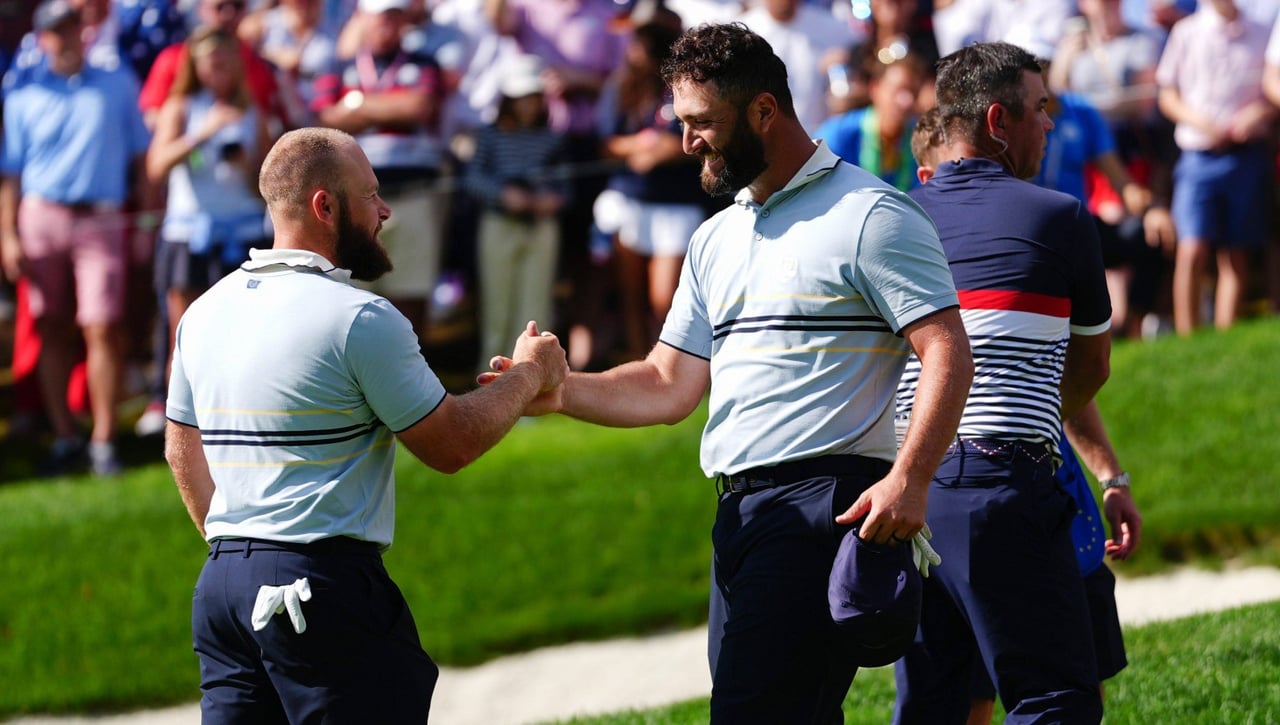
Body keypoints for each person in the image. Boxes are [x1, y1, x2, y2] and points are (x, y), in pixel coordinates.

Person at [482, 22, 974, 722]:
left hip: (822, 505)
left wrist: (911, 478)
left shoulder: (873, 216)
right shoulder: (715, 236)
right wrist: (554, 390)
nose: (687, 142)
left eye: (701, 122)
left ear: (764, 111)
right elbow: (666, 382)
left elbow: (949, 351)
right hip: (740, 512)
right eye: (682, 122)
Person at [164, 126, 568, 722]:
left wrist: (242, 552)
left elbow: (181, 450)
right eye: (371, 195)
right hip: (319, 590)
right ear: (324, 206)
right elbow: (451, 443)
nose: (385, 211)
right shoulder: (361, 318)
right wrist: (530, 374)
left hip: (222, 587)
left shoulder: (204, 311)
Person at [892, 41, 1113, 723]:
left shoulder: (892, 217)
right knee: (1054, 700)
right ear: (997, 120)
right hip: (1003, 489)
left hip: (905, 494)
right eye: (1040, 110)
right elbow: (1091, 366)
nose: (1049, 125)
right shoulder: (1058, 216)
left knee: (937, 705)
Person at [1, 0, 152, 475]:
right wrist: (7, 233)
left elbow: (140, 161)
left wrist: (146, 221)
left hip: (101, 219)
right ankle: (66, 436)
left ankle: (103, 438)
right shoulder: (23, 96)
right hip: (42, 216)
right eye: (55, 32)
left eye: (71, 29)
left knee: (102, 326)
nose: (64, 38)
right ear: (42, 39)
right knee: (50, 326)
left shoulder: (117, 85)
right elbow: (12, 173)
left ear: (83, 34)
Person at [140, 26, 273, 435]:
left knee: (245, 332)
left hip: (243, 232)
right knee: (186, 333)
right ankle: (183, 428)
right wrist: (202, 134)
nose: (217, 70)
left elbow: (266, 188)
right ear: (195, 67)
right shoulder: (181, 107)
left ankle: (241, 421)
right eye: (209, 63)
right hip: (190, 233)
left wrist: (245, 166)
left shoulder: (254, 114)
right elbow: (156, 166)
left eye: (225, 61)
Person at [313, 0, 448, 343]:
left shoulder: (424, 63)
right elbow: (325, 117)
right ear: (362, 19)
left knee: (410, 296)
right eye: (380, 18)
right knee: (352, 298)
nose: (386, 26)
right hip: (354, 201)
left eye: (394, 18)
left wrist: (357, 104)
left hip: (414, 193)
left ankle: (411, 390)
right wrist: (390, 106)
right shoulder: (339, 64)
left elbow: (419, 107)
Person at [1155, 0, 1274, 336]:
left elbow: (1271, 88)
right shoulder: (1186, 32)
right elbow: (1168, 95)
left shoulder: (1263, 32)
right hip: (1197, 156)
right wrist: (1203, 123)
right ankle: (1187, 337)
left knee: (1235, 253)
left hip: (1246, 154)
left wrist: (1259, 115)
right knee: (1192, 247)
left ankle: (1225, 336)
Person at [595, 19, 707, 361]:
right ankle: (637, 359)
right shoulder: (621, 85)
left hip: (676, 203)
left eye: (641, 41)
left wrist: (669, 149)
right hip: (632, 199)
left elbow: (700, 136)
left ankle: (671, 365)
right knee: (631, 293)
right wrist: (644, 145)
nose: (633, 49)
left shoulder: (687, 85)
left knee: (664, 299)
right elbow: (607, 142)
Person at [463, 53, 568, 372]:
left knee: (535, 308)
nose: (527, 105)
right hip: (499, 222)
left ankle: (530, 382)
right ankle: (493, 382)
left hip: (540, 225)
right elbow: (473, 178)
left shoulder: (552, 137)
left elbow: (565, 185)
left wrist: (551, 200)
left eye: (532, 97)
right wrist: (504, 195)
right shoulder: (490, 134)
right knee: (497, 307)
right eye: (520, 98)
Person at [815, 52, 928, 191]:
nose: (907, 101)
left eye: (914, 92)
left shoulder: (921, 142)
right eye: (899, 90)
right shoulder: (837, 134)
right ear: (875, 88)